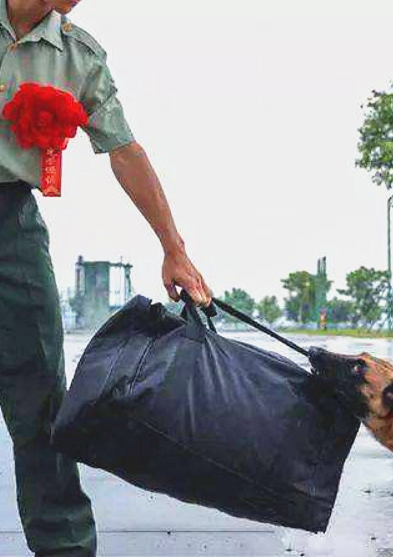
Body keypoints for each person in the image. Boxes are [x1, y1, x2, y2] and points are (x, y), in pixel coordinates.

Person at [0, 0, 211, 554]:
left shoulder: (78, 56)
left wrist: (175, 249)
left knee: (42, 397)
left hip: (10, 225)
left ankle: (66, 547)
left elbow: (125, 149)